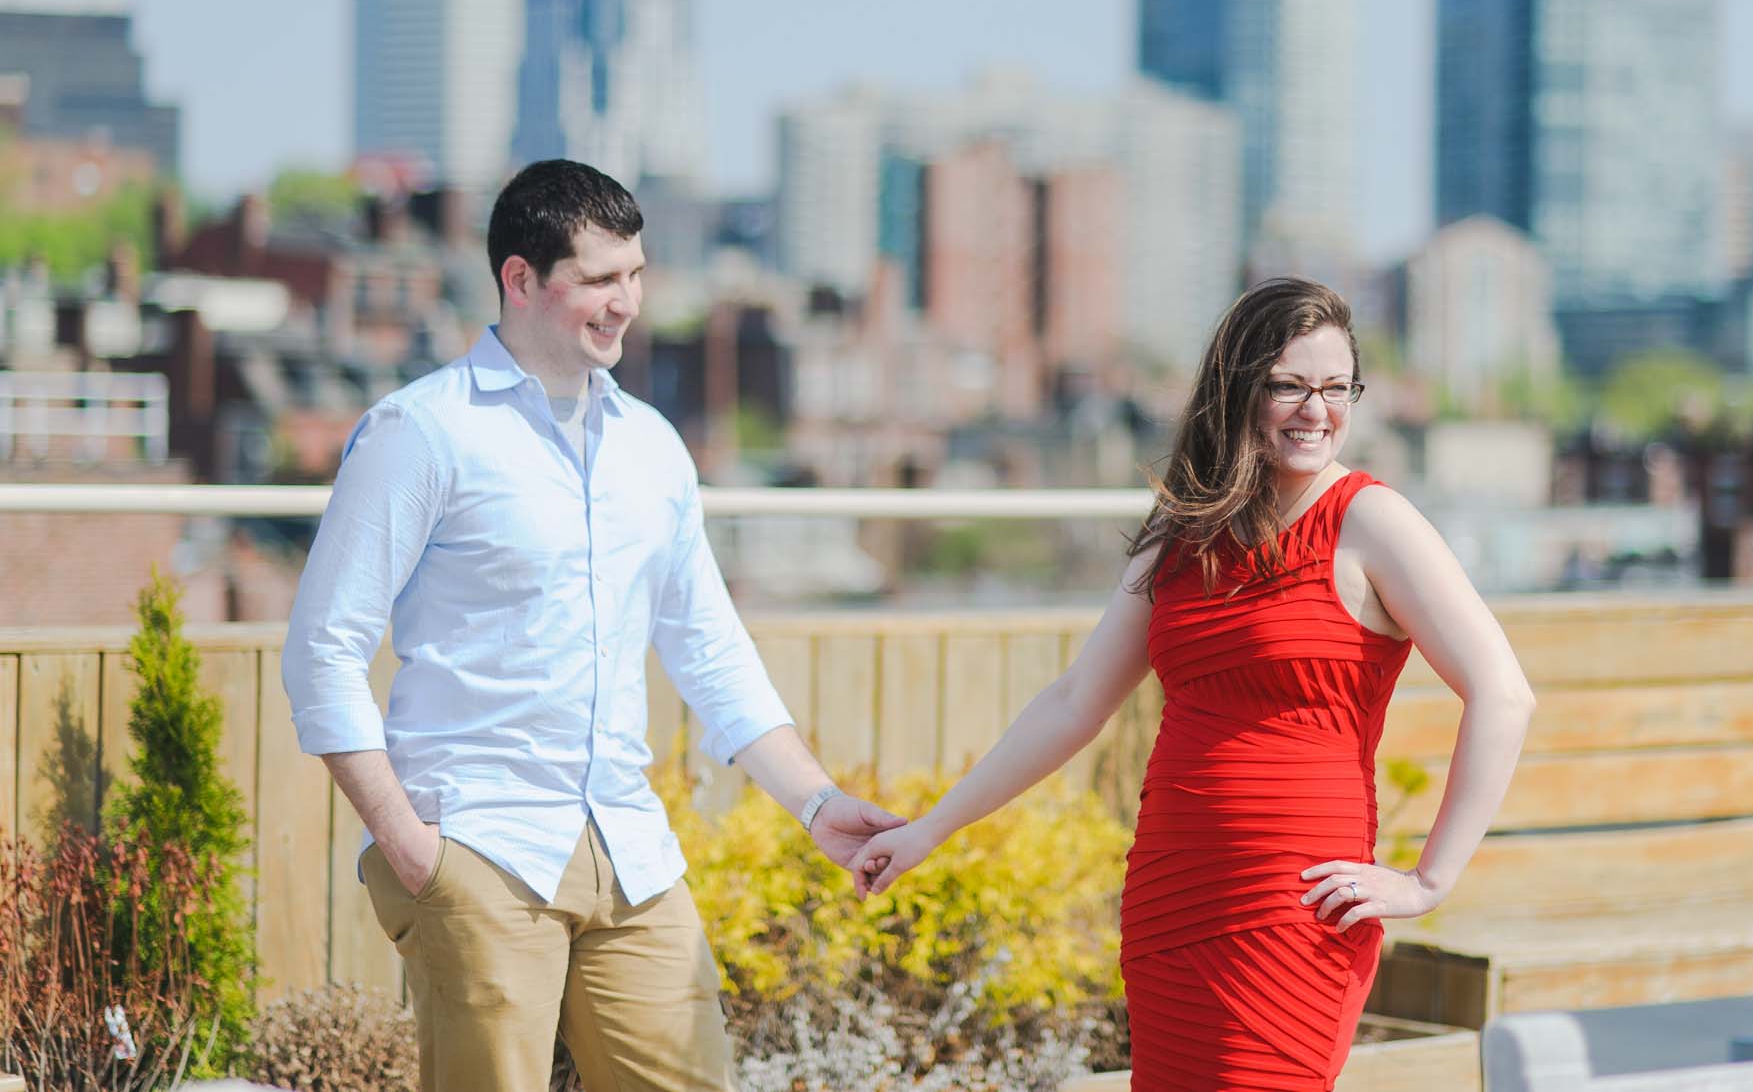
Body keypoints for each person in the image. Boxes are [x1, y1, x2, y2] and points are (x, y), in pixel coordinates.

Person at [282, 159, 903, 1092]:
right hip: (478, 845)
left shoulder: (653, 447)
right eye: (601, 278)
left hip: (630, 847)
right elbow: (320, 651)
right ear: (522, 278)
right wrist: (411, 846)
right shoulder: (420, 432)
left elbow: (709, 648)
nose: (628, 302)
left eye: (638, 274)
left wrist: (816, 804)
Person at [853, 277, 1535, 1091]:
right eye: (1289, 385)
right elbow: (1075, 702)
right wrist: (931, 828)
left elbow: (1503, 691)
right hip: (1173, 896)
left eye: (1335, 388)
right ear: (1239, 388)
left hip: (1297, 907)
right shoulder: (1183, 531)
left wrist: (1428, 881)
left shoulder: (1372, 519)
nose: (1316, 410)